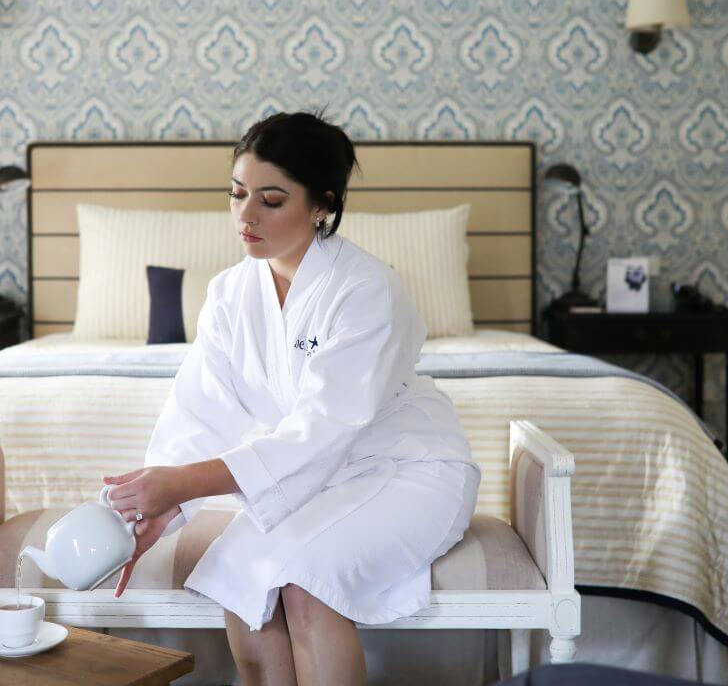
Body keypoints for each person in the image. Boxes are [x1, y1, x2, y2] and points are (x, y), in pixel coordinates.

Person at [101, 110, 481, 686]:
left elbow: (324, 426)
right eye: (236, 194)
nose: (246, 217)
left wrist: (182, 484)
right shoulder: (230, 293)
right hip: (309, 482)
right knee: (239, 578)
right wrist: (165, 504)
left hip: (407, 471)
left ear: (322, 205)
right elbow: (199, 411)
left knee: (305, 583)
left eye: (271, 201)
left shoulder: (364, 290)